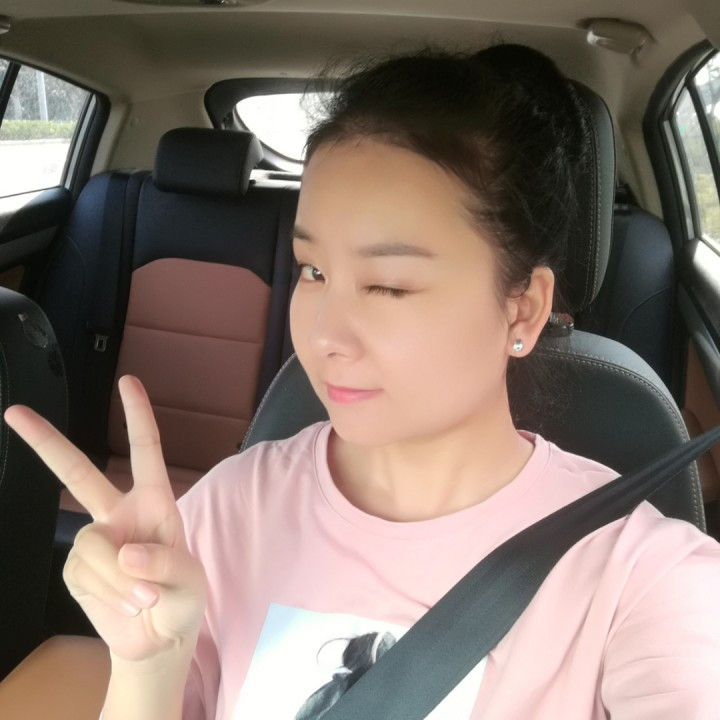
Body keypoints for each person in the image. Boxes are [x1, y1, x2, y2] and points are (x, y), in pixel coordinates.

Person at [5, 45, 720, 720]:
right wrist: (147, 666)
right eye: (313, 271)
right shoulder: (229, 508)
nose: (323, 336)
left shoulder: (639, 576)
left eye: (388, 285)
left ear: (524, 309)